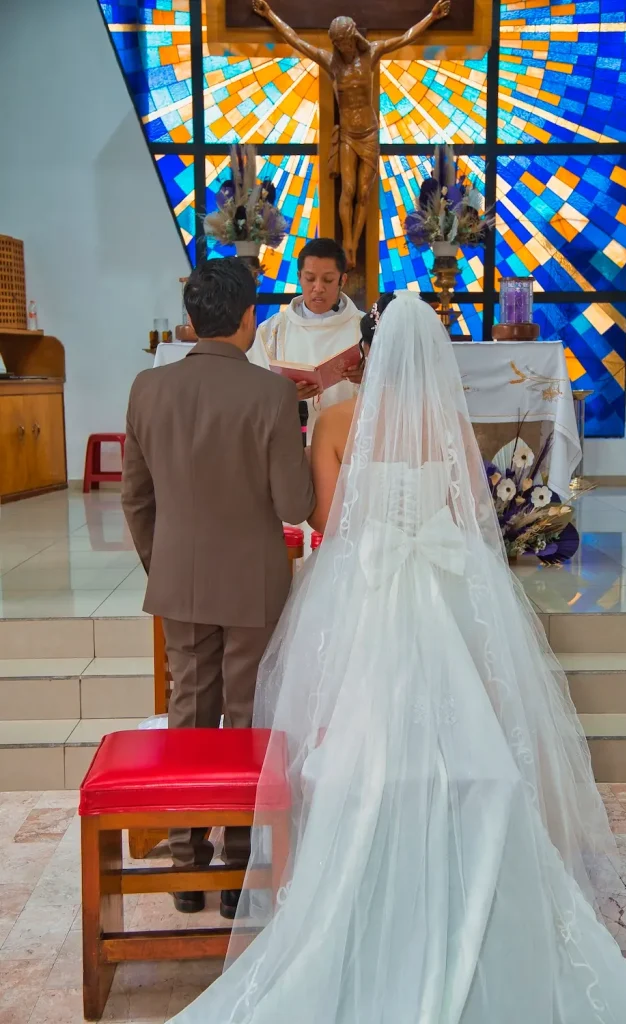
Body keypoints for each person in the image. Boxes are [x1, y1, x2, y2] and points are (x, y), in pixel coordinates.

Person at [169, 292, 626, 1023]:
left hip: (363, 582)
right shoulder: (451, 425)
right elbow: (473, 517)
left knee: (348, 742)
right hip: (438, 587)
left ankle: (347, 860)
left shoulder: (339, 420)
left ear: (366, 351)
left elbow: (326, 522)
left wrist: (379, 528)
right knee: (466, 727)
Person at [121, 257, 314, 921]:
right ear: (245, 319)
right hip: (253, 576)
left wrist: (163, 563)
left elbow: (134, 498)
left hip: (176, 575)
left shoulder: (147, 389)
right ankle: (236, 865)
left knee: (188, 708)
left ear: (192, 318)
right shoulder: (269, 395)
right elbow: (293, 505)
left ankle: (183, 861)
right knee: (246, 713)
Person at [252, 0, 451, 269]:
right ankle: (347, 242)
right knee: (347, 189)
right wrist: (270, 14)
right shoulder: (331, 62)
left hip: (369, 133)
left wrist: (432, 16)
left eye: (346, 41)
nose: (343, 47)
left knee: (364, 193)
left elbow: (406, 37)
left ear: (353, 37)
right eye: (338, 43)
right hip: (347, 134)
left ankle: (354, 241)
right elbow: (296, 40)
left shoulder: (372, 54)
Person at [248, 238, 364, 440]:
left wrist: (367, 378)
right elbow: (252, 393)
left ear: (342, 280)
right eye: (310, 279)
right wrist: (286, 396)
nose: (318, 288)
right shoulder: (272, 331)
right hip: (290, 442)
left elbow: (395, 390)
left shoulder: (365, 329)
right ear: (299, 277)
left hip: (349, 444)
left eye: (327, 280)